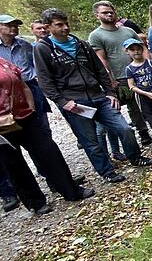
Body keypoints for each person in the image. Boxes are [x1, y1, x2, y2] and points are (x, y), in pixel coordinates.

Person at [33, 8, 152, 183]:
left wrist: (109, 92)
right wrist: (62, 101)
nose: (65, 28)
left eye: (66, 23)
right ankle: (107, 171)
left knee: (124, 128)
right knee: (90, 140)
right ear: (48, 27)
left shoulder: (80, 44)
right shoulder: (43, 49)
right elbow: (45, 80)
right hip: (74, 101)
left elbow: (99, 69)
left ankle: (135, 157)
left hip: (98, 95)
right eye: (59, 25)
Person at [0, 57, 95, 215]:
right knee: (14, 164)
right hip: (2, 127)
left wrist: (31, 106)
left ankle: (70, 190)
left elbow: (22, 84)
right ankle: (35, 203)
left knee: (49, 151)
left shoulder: (3, 61)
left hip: (25, 116)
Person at [88, 1, 152, 149]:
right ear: (97, 15)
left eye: (111, 11)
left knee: (147, 102)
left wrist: (150, 65)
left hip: (140, 72)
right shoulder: (96, 36)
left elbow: (142, 48)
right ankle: (119, 145)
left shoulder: (128, 31)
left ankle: (149, 131)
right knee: (124, 108)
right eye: (105, 12)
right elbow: (102, 60)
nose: (110, 14)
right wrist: (110, 79)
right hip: (119, 77)